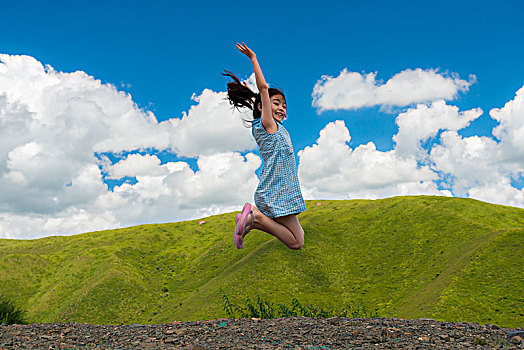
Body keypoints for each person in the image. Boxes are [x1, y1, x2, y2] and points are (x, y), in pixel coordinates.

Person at [223, 42, 307, 250]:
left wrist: (249, 93)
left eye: (284, 106)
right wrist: (253, 59)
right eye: (276, 103)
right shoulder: (267, 125)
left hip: (278, 189)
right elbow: (263, 89)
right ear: (263, 107)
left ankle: (255, 219)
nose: (281, 108)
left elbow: (260, 96)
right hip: (277, 191)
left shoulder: (274, 128)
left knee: (298, 238)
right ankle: (255, 217)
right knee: (296, 242)